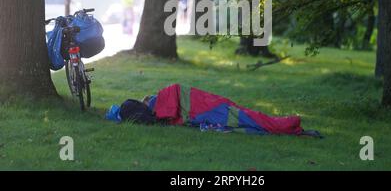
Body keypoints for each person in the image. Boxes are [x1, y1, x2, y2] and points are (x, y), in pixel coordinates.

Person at [106, 84, 321, 137]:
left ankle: (288, 124)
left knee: (249, 119)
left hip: (207, 107)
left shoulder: (162, 98)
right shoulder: (164, 94)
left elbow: (173, 110)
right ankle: (288, 124)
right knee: (250, 118)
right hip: (211, 104)